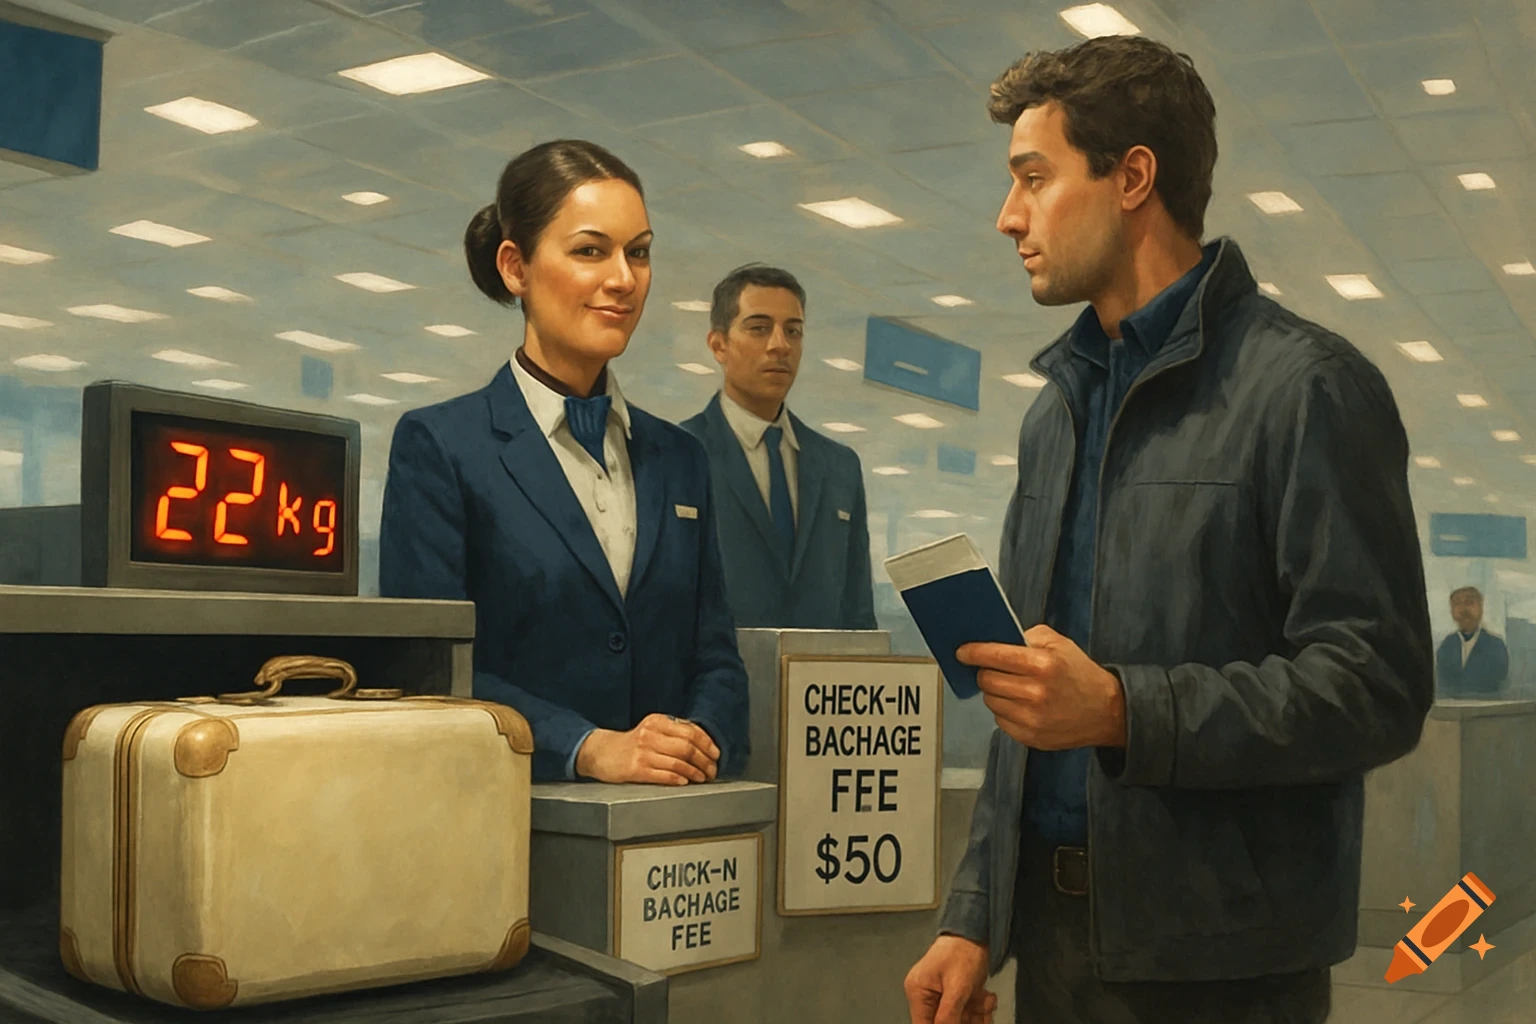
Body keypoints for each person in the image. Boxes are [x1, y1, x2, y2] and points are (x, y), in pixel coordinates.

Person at [902, 36, 1433, 1024]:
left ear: (1133, 176)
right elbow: (1029, 702)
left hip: (1229, 972)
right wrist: (974, 914)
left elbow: (1377, 685)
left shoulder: (1309, 389)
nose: (1008, 215)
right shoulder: (1053, 411)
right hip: (1055, 949)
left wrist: (1122, 711)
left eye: (1033, 177)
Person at [378, 139, 749, 786]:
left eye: (638, 252)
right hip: (510, 826)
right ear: (515, 267)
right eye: (590, 251)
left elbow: (714, 654)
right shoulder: (442, 446)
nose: (624, 279)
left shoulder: (681, 459)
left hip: (670, 837)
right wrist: (584, 747)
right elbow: (430, 670)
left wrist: (698, 741)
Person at [679, 264, 877, 630]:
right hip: (717, 683)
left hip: (822, 685)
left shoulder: (839, 468)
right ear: (718, 345)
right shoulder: (678, 456)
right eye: (759, 328)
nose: (779, 345)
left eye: (793, 331)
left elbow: (858, 614)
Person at [1436, 586, 1508, 696]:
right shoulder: (1447, 645)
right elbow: (1442, 683)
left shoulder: (1495, 645)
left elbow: (1497, 684)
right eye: (1457, 604)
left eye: (1469, 602)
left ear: (1481, 608)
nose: (1463, 609)